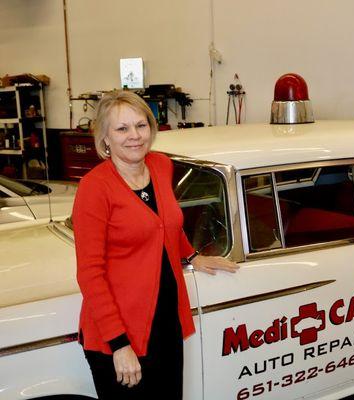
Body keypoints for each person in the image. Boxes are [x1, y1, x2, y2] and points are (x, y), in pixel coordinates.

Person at [72, 90, 239, 400]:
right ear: (105, 138)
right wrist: (119, 345)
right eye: (122, 129)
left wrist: (190, 254)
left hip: (165, 323)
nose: (134, 136)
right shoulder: (95, 187)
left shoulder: (160, 166)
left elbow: (165, 223)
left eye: (141, 125)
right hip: (119, 332)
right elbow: (90, 273)